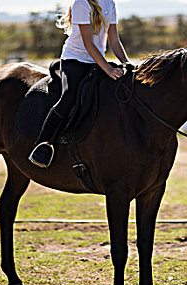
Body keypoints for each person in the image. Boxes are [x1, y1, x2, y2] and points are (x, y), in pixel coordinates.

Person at [29, 0, 130, 168]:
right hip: (75, 60)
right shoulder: (81, 3)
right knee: (69, 96)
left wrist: (127, 64)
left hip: (97, 62)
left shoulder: (110, 3)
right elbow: (88, 44)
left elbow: (114, 41)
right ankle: (42, 144)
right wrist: (109, 69)